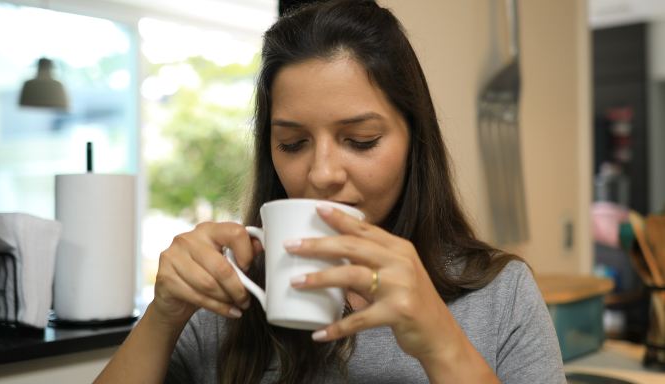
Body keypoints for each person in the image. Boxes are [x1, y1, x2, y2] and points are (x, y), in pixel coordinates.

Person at [95, 1, 566, 383]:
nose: (321, 173)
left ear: (414, 140)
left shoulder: (499, 296)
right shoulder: (228, 296)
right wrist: (163, 317)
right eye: (293, 143)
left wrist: (443, 344)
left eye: (360, 141)